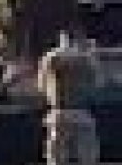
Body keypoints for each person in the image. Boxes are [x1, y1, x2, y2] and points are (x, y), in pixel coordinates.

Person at [37, 31, 100, 165]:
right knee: (83, 154)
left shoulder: (53, 58)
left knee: (58, 155)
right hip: (74, 112)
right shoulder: (84, 59)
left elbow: (41, 83)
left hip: (62, 112)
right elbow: (96, 80)